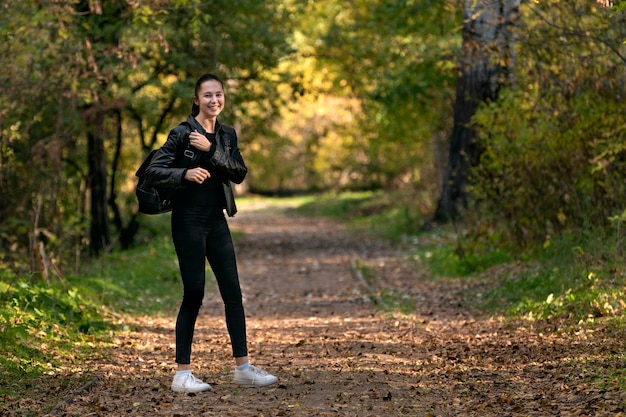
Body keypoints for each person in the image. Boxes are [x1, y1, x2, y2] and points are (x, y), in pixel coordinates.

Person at [144, 73, 277, 393]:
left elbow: (239, 172)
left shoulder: (227, 135)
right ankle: (181, 374)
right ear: (196, 99)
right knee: (194, 294)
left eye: (218, 95)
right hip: (188, 221)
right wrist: (185, 173)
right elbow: (152, 171)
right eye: (207, 95)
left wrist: (212, 148)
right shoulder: (181, 133)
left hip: (217, 222)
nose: (214, 100)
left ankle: (243, 368)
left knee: (234, 293)